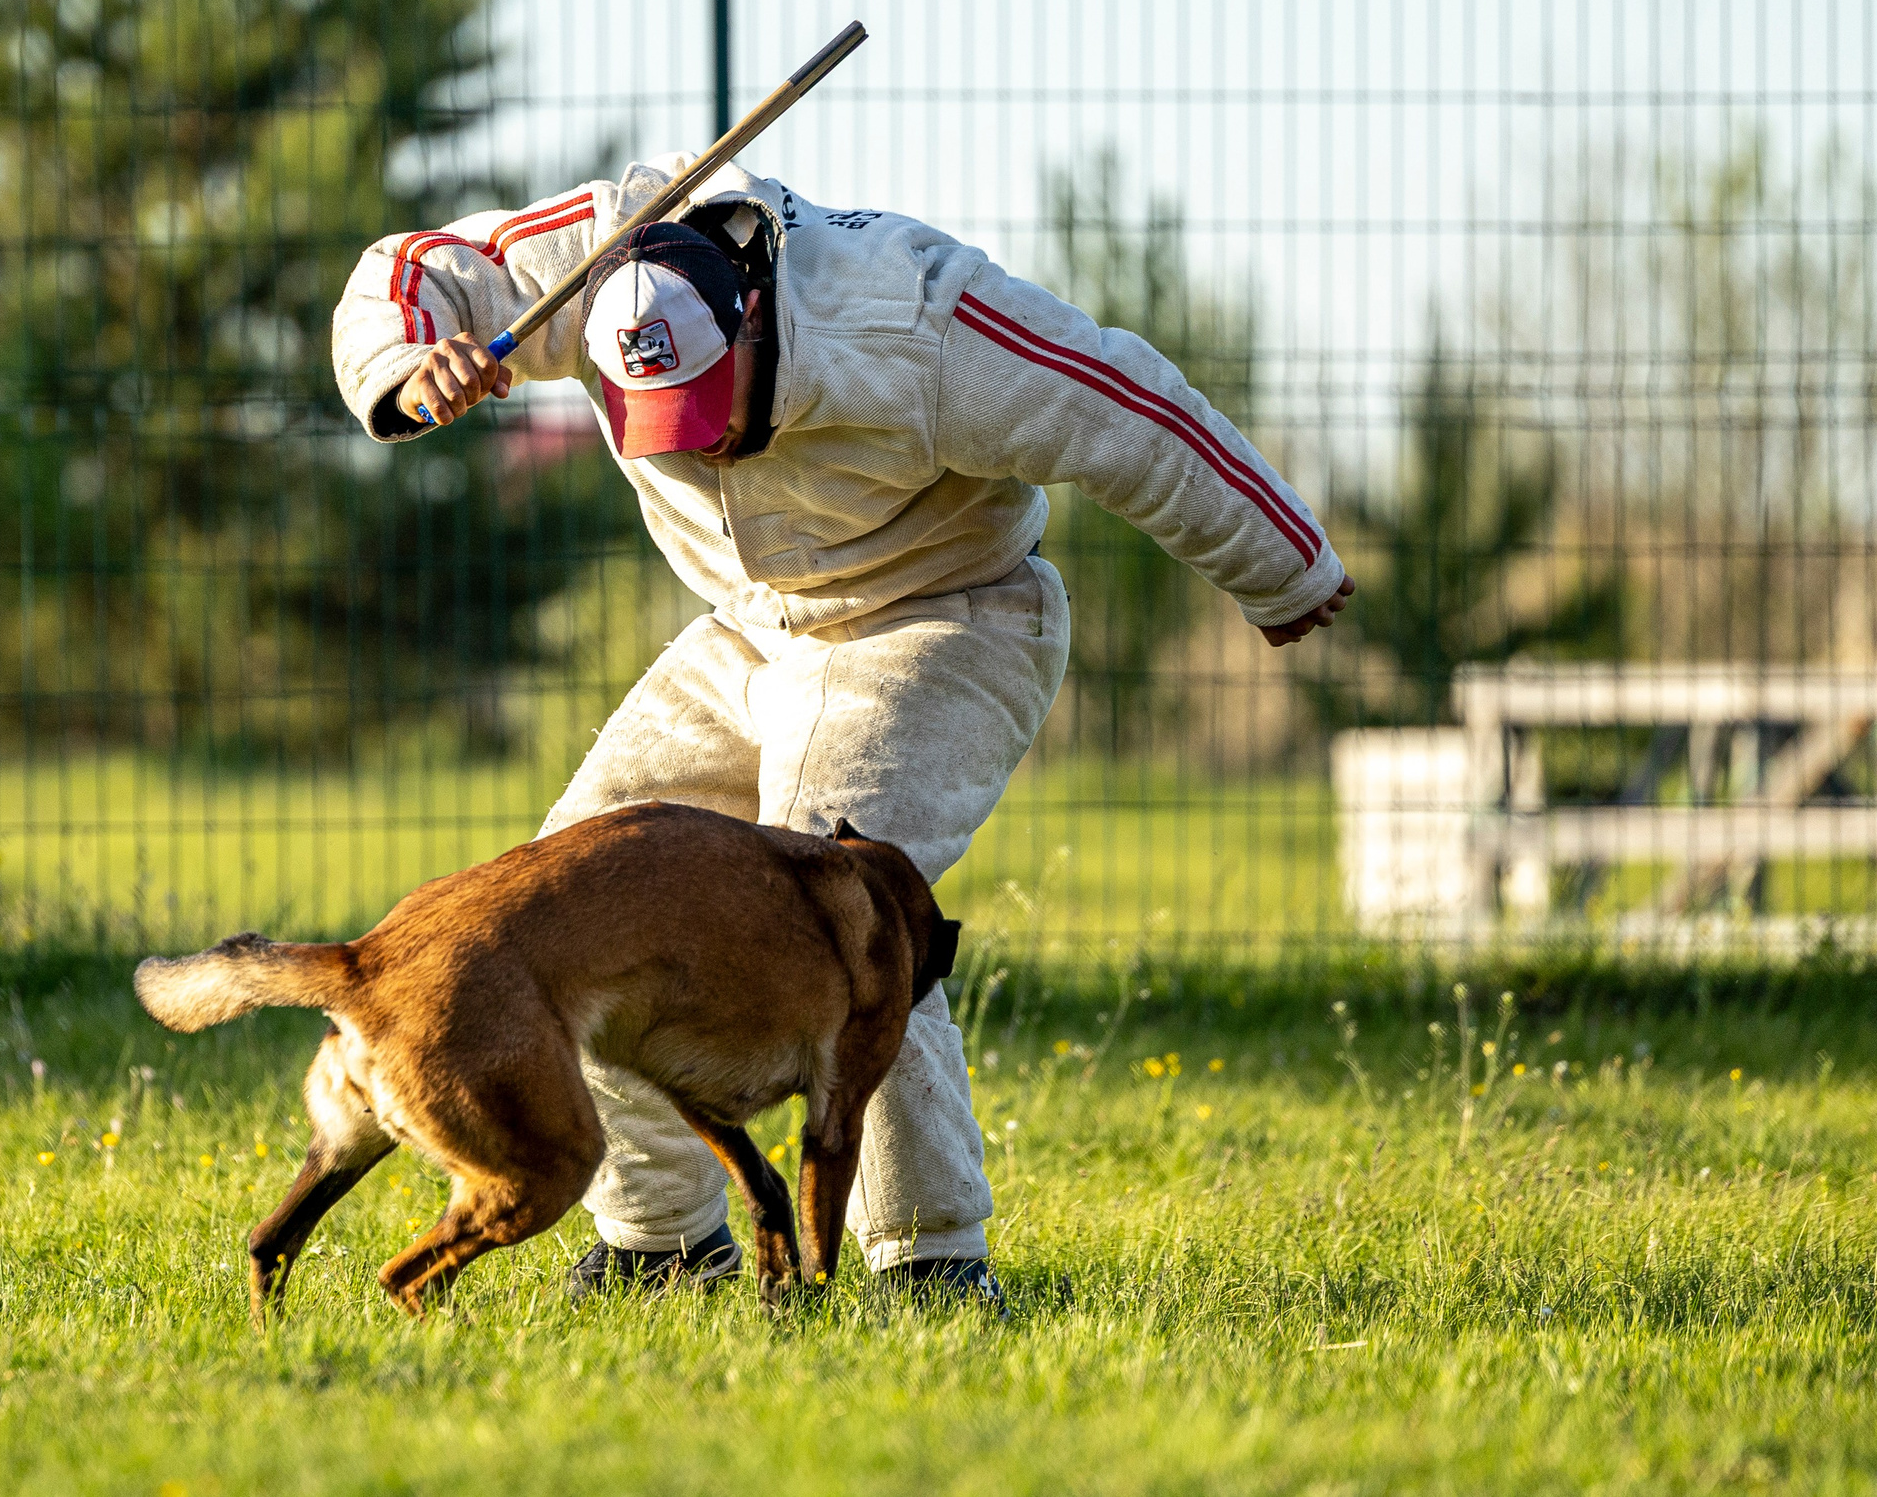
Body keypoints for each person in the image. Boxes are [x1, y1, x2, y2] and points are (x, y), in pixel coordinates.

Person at [332, 155, 1352, 1310]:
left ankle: (930, 1263)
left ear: (755, 311)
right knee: (571, 889)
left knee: (834, 908)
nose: (701, 450)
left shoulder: (922, 322)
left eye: (714, 418)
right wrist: (409, 361)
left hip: (945, 616)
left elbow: (1133, 410)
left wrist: (1284, 568)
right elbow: (414, 270)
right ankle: (664, 1245)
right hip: (750, 632)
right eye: (668, 432)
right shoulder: (590, 257)